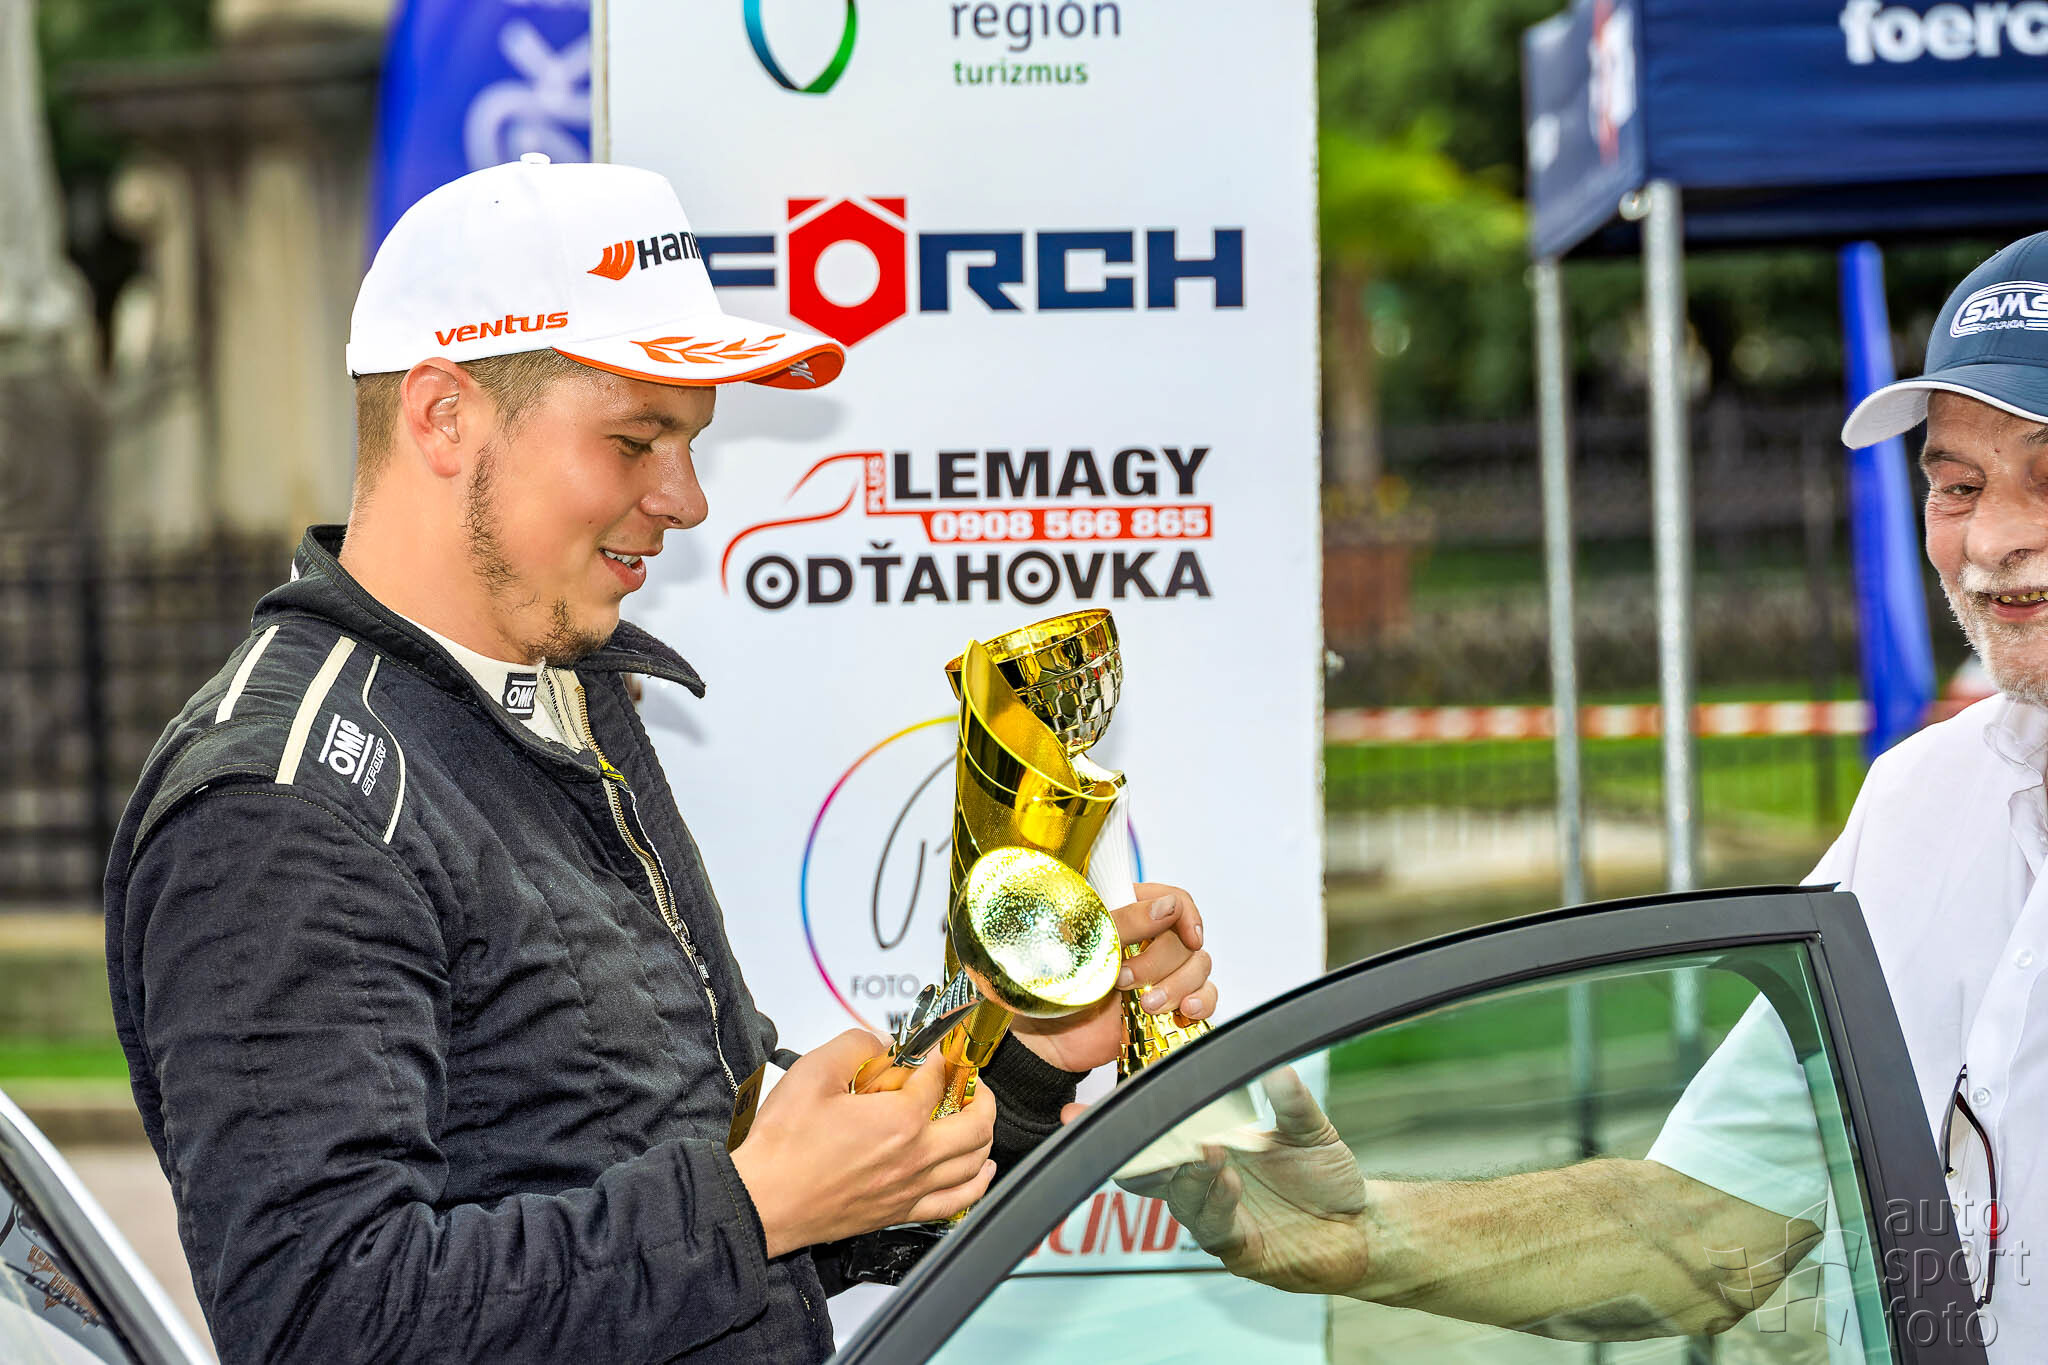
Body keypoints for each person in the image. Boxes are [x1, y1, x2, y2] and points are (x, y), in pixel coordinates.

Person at [102, 155, 1218, 1365]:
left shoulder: (560, 694)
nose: (685, 499)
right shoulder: (281, 805)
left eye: (688, 442)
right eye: (636, 439)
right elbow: (323, 1321)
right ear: (441, 416)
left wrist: (1022, 1062)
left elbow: (692, 1178)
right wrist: (756, 1204)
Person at [1146, 233, 2048, 1357]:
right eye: (1955, 486)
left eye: (2045, 476)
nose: (1990, 539)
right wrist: (1364, 1234)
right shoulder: (1921, 803)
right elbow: (1702, 1227)